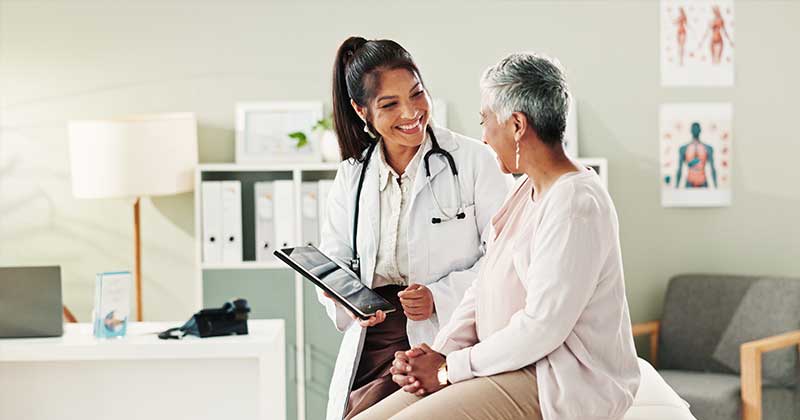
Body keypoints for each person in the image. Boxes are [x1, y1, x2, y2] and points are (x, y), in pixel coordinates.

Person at [354, 52, 641, 420]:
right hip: (507, 365)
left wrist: (448, 370)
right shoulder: (527, 191)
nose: (484, 137)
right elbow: (483, 286)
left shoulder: (576, 203)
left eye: (486, 120)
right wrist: (436, 355)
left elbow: (542, 327)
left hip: (554, 378)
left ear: (517, 125)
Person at [318, 36, 513, 420]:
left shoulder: (474, 160)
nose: (410, 113)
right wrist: (349, 301)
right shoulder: (352, 177)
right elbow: (335, 262)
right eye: (390, 104)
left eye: (417, 94)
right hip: (373, 346)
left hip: (447, 335)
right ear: (362, 110)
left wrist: (438, 297)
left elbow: (506, 257)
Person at [676, 122, 717, 188]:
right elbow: (679, 169)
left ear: (700, 130)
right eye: (694, 129)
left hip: (703, 182)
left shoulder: (708, 148)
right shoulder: (684, 148)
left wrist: (716, 187)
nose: (695, 130)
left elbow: (713, 169)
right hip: (689, 182)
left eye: (697, 128)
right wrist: (676, 187)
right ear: (691, 130)